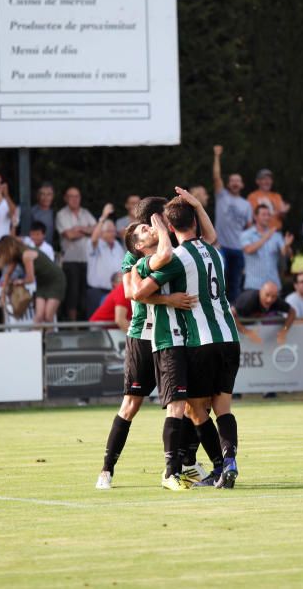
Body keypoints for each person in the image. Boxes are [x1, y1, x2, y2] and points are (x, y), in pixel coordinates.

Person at [131, 189, 241, 490]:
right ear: (195, 221)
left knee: (194, 409)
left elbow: (138, 293)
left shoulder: (176, 259)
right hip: (230, 337)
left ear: (168, 227)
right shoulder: (214, 251)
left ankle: (212, 467)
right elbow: (212, 234)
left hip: (201, 341)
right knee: (223, 407)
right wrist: (195, 204)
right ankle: (228, 462)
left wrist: (166, 298)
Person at [96, 207, 200, 490]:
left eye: (154, 224)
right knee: (131, 405)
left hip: (173, 336)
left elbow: (208, 237)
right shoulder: (135, 255)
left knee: (189, 403)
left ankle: (186, 464)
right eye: (147, 226)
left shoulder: (173, 244)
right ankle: (106, 469)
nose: (152, 228)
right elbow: (132, 292)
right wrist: (169, 300)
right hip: (144, 334)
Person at [213, 146, 253, 304]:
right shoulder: (221, 196)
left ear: (242, 185)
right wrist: (216, 156)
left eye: (238, 181)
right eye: (232, 181)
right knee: (219, 279)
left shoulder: (246, 205)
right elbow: (216, 177)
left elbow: (249, 228)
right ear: (228, 184)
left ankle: (235, 315)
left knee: (236, 284)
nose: (235, 183)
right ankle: (219, 308)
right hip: (221, 246)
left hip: (239, 248)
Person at [0, 235, 66, 325]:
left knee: (48, 316)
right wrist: (3, 294)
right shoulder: (16, 256)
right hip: (42, 282)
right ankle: (36, 338)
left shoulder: (26, 255)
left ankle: (49, 338)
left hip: (55, 281)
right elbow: (8, 274)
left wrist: (20, 281)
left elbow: (30, 279)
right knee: (39, 316)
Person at [56, 186, 97, 321]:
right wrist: (86, 230)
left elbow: (96, 230)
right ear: (66, 198)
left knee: (85, 292)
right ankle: (73, 324)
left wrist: (79, 229)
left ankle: (86, 321)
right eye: (71, 196)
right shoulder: (61, 214)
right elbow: (69, 235)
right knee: (72, 293)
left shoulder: (85, 212)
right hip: (70, 259)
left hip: (87, 259)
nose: (74, 199)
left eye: (77, 196)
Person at [241, 204, 292, 293]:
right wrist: (266, 237)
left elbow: (286, 254)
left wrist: (287, 246)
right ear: (255, 217)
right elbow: (248, 250)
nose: (267, 217)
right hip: (253, 286)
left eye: (269, 215)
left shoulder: (276, 235)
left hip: (273, 285)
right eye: (264, 214)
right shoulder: (246, 234)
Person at [86, 205, 125, 315]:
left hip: (115, 291)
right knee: (96, 326)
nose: (112, 233)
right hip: (97, 292)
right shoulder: (94, 245)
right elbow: (94, 238)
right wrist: (103, 217)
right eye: (109, 231)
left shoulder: (117, 245)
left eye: (113, 231)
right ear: (101, 233)